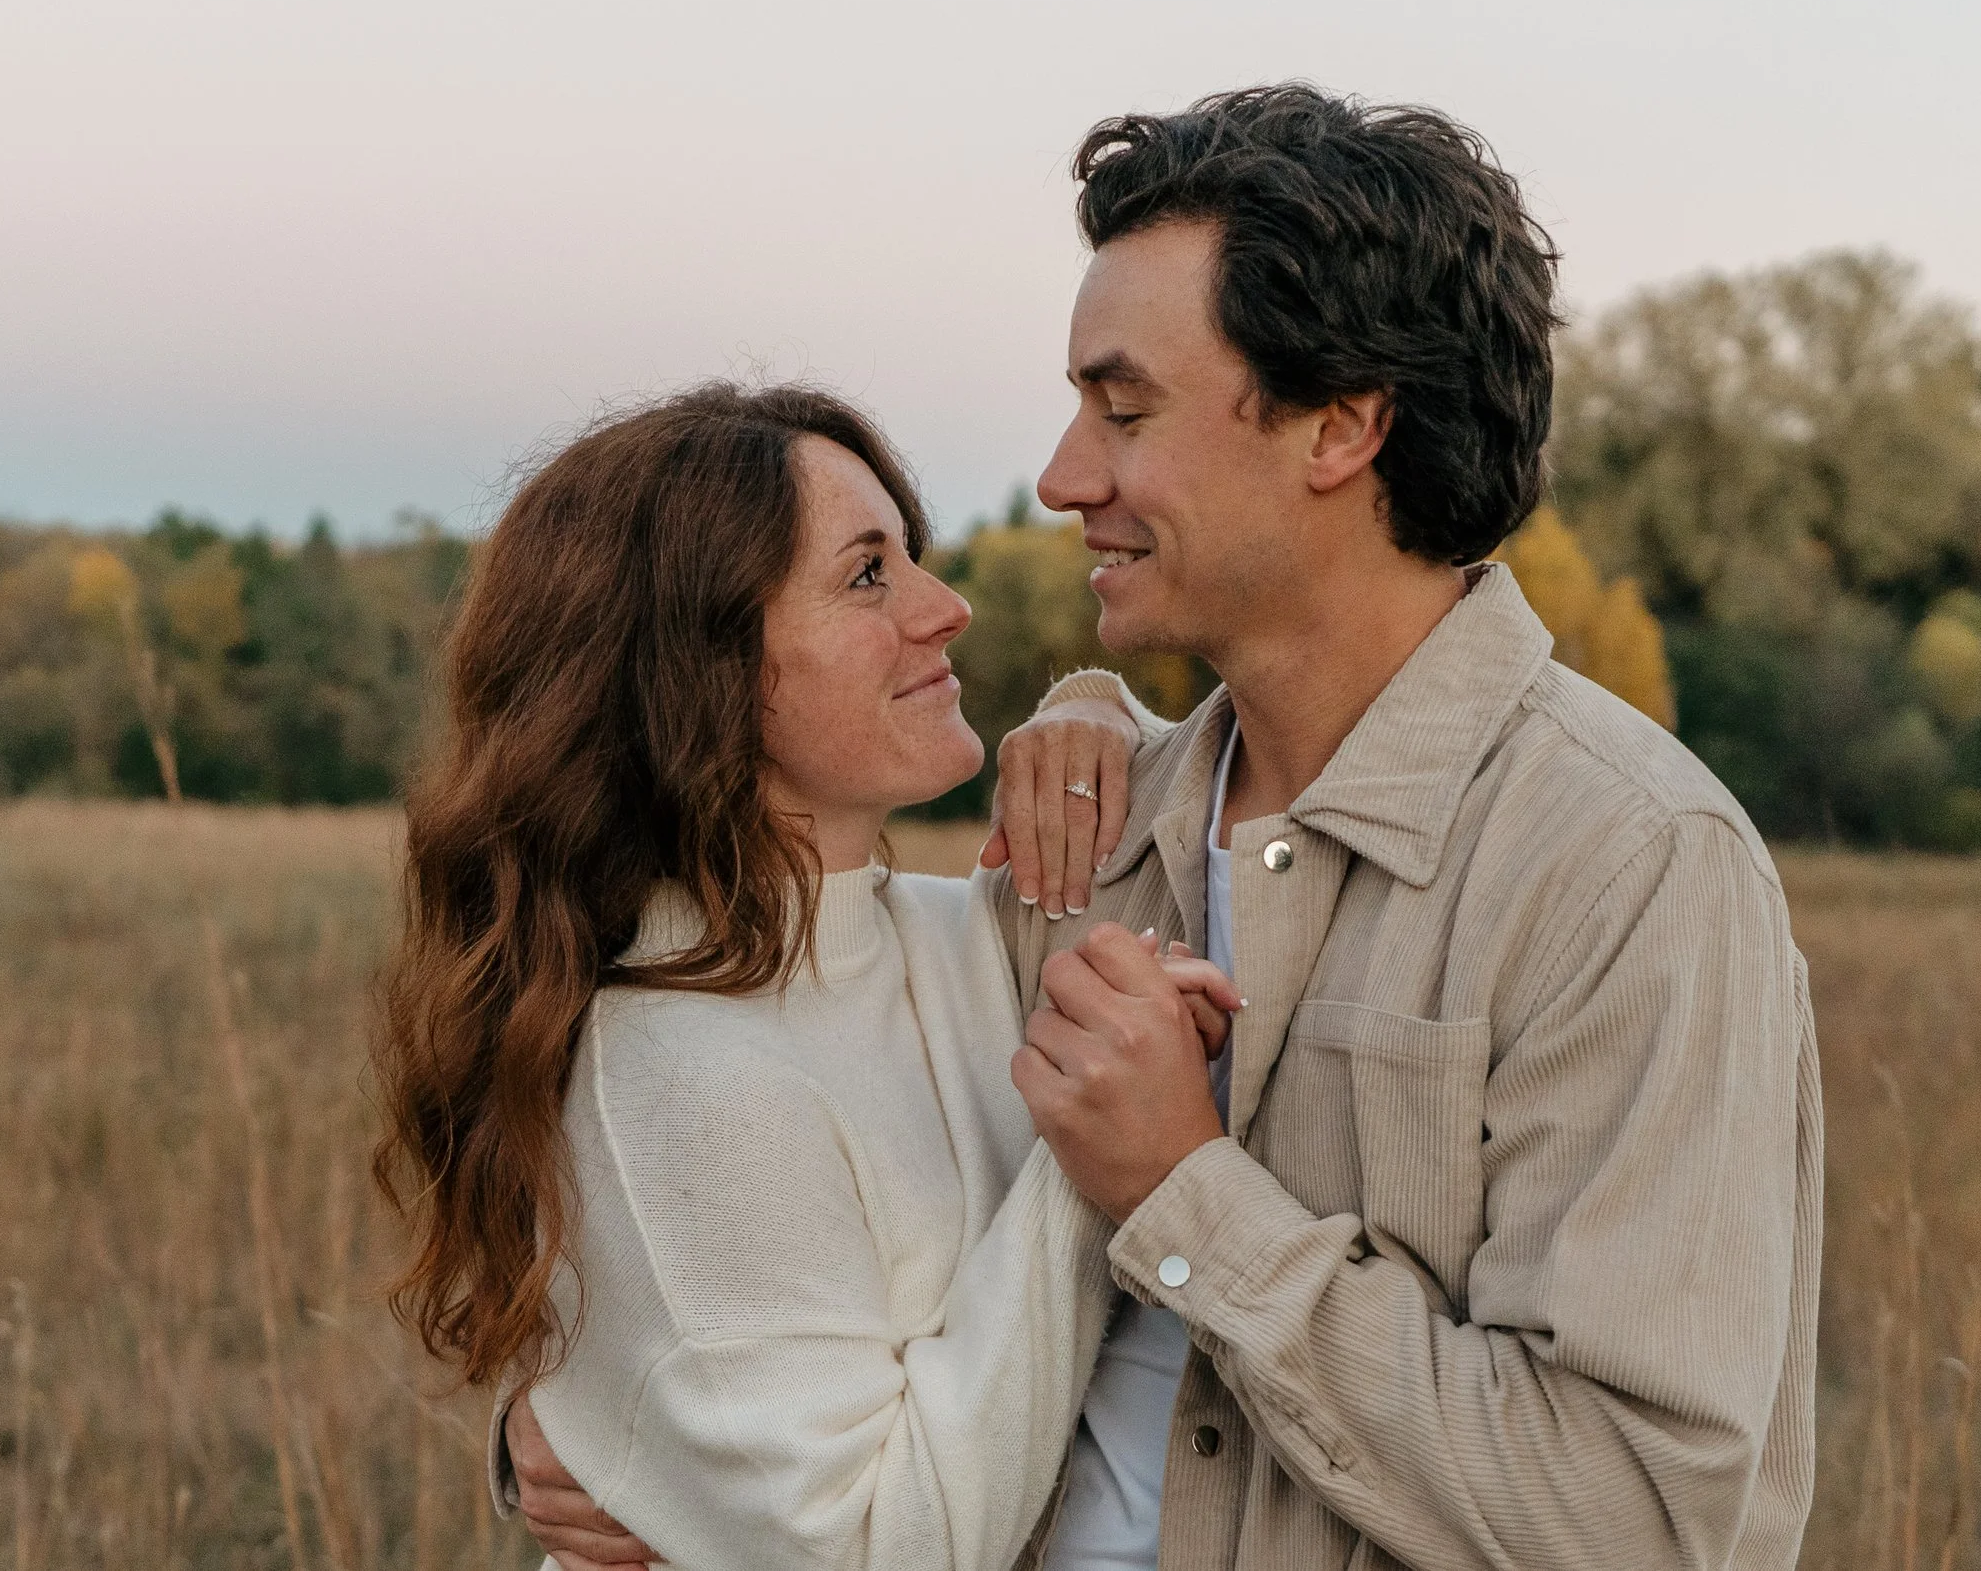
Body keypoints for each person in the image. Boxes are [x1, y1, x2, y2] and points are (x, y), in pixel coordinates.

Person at [508, 85, 1822, 1571]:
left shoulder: (1626, 868)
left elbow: (1646, 1523)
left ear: (1343, 424)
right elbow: (800, 1240)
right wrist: (627, 1420)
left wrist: (1183, 1192)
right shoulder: (1079, 841)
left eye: (1124, 412)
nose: (1064, 476)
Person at [372, 382, 1237, 1571]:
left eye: (911, 556)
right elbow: (875, 1551)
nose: (945, 607)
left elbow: (1219, 825)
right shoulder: (678, 1064)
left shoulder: (948, 936)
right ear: (696, 665)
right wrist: (1093, 1155)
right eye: (867, 574)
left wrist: (1094, 706)